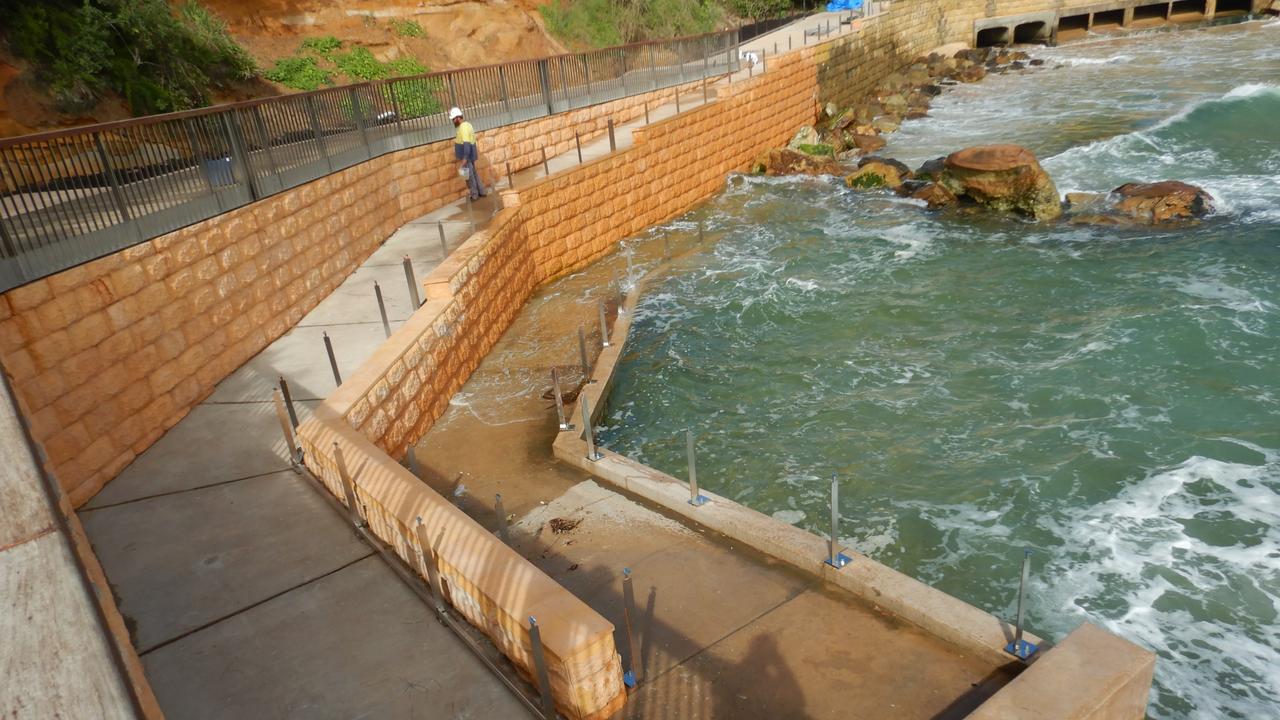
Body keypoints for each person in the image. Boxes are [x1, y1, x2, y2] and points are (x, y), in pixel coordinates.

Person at [450, 107, 484, 201]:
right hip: (470, 154)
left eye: (453, 119)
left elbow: (466, 143)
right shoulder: (467, 125)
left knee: (468, 176)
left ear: (458, 117)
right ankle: (481, 191)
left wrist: (464, 158)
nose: (453, 121)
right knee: (473, 173)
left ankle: (474, 195)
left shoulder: (463, 127)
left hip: (467, 156)